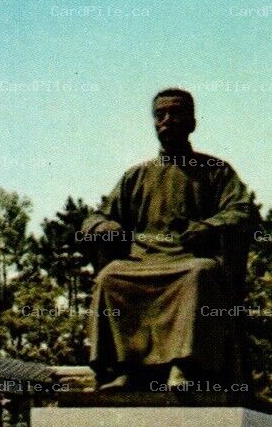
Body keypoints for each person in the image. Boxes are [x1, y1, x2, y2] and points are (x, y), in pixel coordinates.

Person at [80, 88, 257, 391]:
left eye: (175, 113)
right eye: (159, 114)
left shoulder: (216, 171)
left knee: (200, 274)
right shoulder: (136, 176)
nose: (167, 120)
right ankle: (124, 368)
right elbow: (94, 218)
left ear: (192, 122)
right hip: (141, 260)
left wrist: (208, 227)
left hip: (188, 258)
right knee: (110, 277)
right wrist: (104, 225)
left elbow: (242, 211)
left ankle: (185, 366)